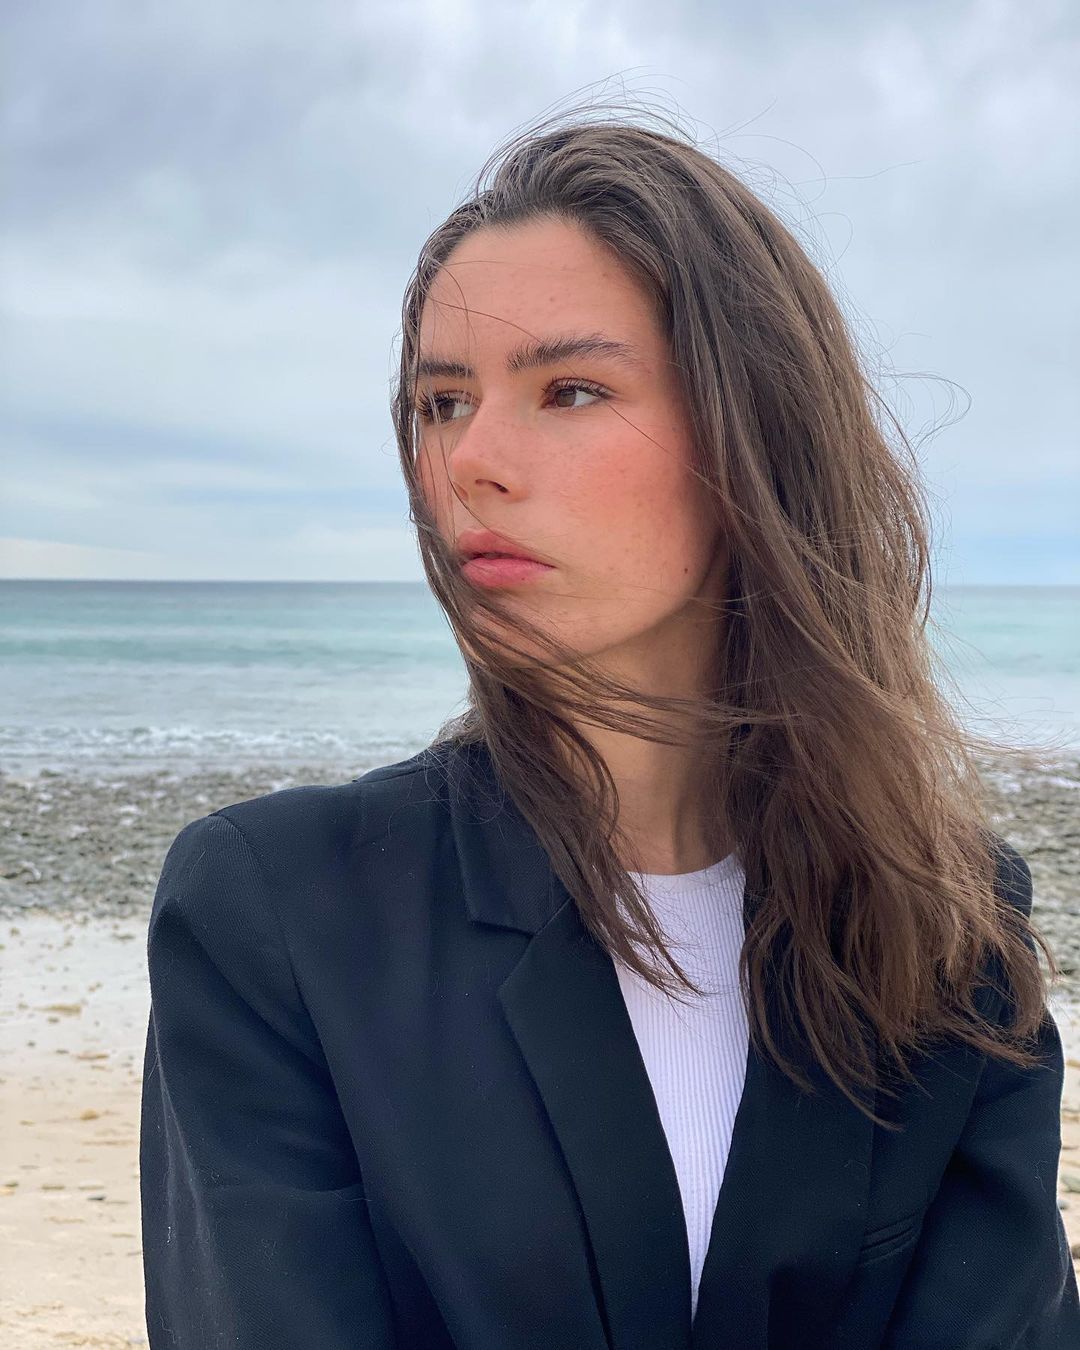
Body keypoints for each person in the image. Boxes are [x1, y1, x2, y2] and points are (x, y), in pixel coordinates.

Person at [139, 107, 1080, 1348]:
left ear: (755, 433)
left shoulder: (948, 930)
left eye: (570, 390)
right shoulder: (281, 914)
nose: (469, 460)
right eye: (442, 401)